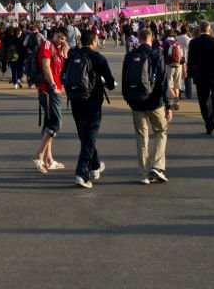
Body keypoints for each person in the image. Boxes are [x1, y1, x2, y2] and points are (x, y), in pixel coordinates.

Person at [63, 29, 117, 189]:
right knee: (89, 136)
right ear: (93, 42)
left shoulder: (72, 56)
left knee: (84, 135)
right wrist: (105, 83)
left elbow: (62, 77)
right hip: (92, 101)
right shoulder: (97, 58)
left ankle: (95, 165)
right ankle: (82, 173)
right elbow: (111, 82)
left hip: (74, 100)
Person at [121, 27, 173, 183]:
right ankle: (157, 166)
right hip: (155, 102)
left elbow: (125, 79)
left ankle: (144, 174)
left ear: (139, 38)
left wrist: (128, 99)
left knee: (141, 138)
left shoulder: (130, 56)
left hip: (136, 103)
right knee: (161, 131)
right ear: (152, 38)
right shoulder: (157, 55)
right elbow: (163, 82)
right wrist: (168, 104)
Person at [31, 26, 69, 174]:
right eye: (59, 37)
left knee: (49, 124)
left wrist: (65, 54)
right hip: (49, 90)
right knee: (56, 123)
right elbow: (46, 67)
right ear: (54, 34)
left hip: (54, 89)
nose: (60, 40)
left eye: (63, 39)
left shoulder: (59, 49)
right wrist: (53, 85)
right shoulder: (47, 44)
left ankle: (48, 159)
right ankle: (39, 155)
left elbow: (62, 69)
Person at [187, 20, 214, 134]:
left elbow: (190, 61)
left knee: (204, 99)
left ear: (200, 29)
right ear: (210, 29)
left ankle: (209, 124)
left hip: (201, 75)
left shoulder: (194, 43)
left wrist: (191, 74)